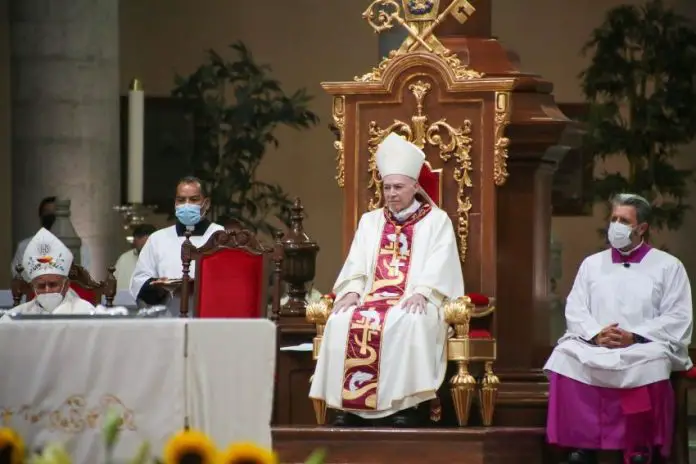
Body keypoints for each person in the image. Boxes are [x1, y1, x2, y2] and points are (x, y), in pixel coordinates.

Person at [309, 132, 464, 427]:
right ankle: (349, 407)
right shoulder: (371, 221)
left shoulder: (436, 220)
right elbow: (355, 263)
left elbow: (440, 263)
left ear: (415, 187)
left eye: (398, 187)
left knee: (411, 320)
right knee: (341, 319)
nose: (391, 194)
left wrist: (424, 291)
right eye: (387, 187)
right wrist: (352, 289)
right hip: (372, 297)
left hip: (415, 297)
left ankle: (405, 407)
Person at [544, 193, 693, 464]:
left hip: (641, 347)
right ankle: (582, 445)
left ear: (642, 229)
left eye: (624, 220)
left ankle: (638, 446)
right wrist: (596, 334)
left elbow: (677, 316)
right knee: (564, 356)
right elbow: (576, 308)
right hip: (598, 344)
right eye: (613, 218)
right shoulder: (592, 264)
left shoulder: (668, 267)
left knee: (652, 362)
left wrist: (634, 336)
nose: (616, 225)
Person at [130, 176, 224, 316]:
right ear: (175, 204)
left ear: (206, 203)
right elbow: (139, 281)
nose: (186, 205)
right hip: (168, 317)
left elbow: (232, 280)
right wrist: (159, 287)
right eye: (181, 200)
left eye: (193, 200)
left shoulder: (221, 236)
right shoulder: (158, 239)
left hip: (211, 317)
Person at [11, 228, 95, 314]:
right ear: (33, 287)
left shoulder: (85, 311)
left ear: (66, 285)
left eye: (53, 284)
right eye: (41, 286)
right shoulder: (22, 313)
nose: (47, 291)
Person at [11, 196, 91, 279]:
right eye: (47, 212)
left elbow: (83, 275)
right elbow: (18, 275)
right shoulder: (25, 246)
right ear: (40, 216)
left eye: (54, 212)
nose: (51, 216)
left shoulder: (79, 247)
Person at [114, 224, 157, 290]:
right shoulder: (124, 259)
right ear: (135, 241)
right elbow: (113, 282)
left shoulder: (164, 259)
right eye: (141, 248)